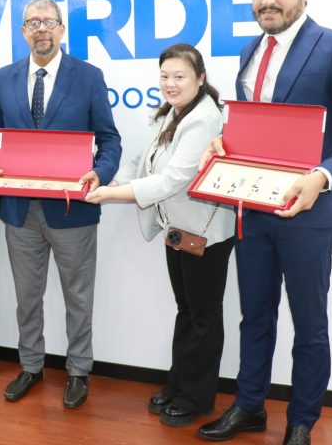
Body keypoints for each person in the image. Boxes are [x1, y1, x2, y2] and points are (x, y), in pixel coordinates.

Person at [197, 0, 332, 445]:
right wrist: (224, 143)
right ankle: (249, 406)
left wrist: (323, 175)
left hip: (309, 211)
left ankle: (302, 421)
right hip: (254, 210)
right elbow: (258, 129)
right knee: (254, 316)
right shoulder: (248, 50)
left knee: (309, 323)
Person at [0, 0, 122, 409]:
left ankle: (78, 370)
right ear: (23, 31)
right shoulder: (5, 77)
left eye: (48, 21)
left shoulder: (88, 76)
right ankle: (31, 365)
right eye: (32, 22)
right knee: (27, 297)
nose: (41, 28)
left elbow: (109, 139)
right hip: (19, 211)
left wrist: (100, 173)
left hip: (73, 210)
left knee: (78, 297)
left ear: (61, 29)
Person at [85, 43, 235, 426]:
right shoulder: (171, 112)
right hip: (178, 229)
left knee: (203, 317)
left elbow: (172, 180)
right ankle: (179, 383)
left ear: (200, 78)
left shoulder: (204, 119)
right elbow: (142, 161)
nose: (170, 83)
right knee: (187, 311)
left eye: (179, 76)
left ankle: (196, 398)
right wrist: (110, 181)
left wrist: (111, 195)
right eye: (165, 76)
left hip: (205, 234)